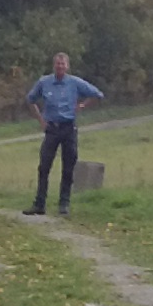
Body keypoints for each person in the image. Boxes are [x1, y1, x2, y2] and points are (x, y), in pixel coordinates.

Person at [21, 51, 104, 217]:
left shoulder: (74, 82)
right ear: (54, 66)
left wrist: (82, 105)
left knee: (68, 166)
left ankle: (64, 204)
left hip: (68, 128)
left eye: (63, 64)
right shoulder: (44, 82)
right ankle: (39, 203)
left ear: (67, 66)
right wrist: (41, 120)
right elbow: (30, 99)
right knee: (44, 166)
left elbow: (97, 94)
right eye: (58, 64)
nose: (60, 67)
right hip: (52, 128)